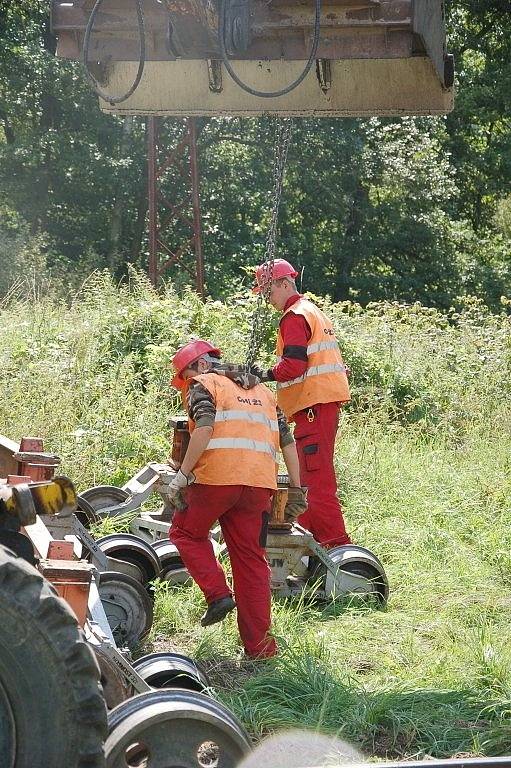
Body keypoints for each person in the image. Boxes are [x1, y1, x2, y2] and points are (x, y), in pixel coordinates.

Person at [165, 339, 306, 660]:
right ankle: (260, 651)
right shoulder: (265, 393)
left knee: (185, 533)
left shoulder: (204, 384)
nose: (185, 386)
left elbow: (203, 428)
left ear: (201, 365)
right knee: (251, 564)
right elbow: (288, 442)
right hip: (258, 488)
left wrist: (183, 474)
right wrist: (298, 488)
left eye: (185, 376)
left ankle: (217, 595)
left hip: (215, 480)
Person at [250, 258, 351, 549]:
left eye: (268, 292)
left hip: (313, 409)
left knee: (316, 485)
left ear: (284, 284)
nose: (268, 300)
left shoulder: (294, 316)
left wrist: (265, 375)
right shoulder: (313, 312)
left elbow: (294, 365)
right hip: (320, 407)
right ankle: (308, 546)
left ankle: (339, 549)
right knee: (308, 481)